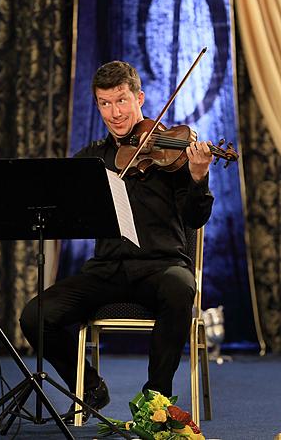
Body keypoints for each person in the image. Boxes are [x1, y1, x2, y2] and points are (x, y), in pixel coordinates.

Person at [20, 60, 214, 424]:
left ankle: (155, 403)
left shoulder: (172, 151)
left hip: (161, 267)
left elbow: (195, 218)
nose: (115, 112)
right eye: (105, 104)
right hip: (106, 271)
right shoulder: (92, 159)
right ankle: (90, 386)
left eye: (122, 100)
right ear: (97, 106)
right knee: (35, 316)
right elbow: (61, 204)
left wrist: (199, 174)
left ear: (139, 97)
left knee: (180, 286)